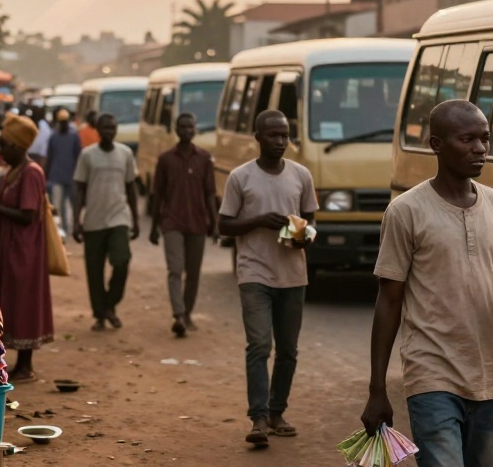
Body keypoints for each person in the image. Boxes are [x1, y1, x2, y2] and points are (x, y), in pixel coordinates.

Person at [360, 101, 493, 467]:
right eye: (467, 139)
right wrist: (377, 389)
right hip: (431, 376)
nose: (479, 149)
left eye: (485, 139)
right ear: (436, 144)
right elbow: (388, 302)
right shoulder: (406, 211)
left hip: (492, 376)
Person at [218, 110, 317, 448]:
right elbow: (224, 225)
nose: (279, 142)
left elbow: (309, 221)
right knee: (260, 345)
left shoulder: (301, 175)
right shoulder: (240, 177)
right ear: (257, 138)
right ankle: (258, 417)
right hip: (254, 272)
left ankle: (277, 412)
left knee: (288, 350)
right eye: (272, 135)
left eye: (284, 135)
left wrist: (301, 234)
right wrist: (259, 220)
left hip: (293, 274)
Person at [0, 114, 54, 381]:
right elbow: (7, 209)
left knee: (22, 301)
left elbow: (27, 214)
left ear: (18, 146)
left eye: (4, 145)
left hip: (24, 248)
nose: (0, 150)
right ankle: (5, 361)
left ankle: (25, 364)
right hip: (7, 244)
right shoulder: (13, 172)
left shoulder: (31, 173)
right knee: (5, 299)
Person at [148, 112, 218, 338]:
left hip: (197, 223)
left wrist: (215, 223)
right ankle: (178, 314)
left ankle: (187, 313)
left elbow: (210, 194)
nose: (187, 130)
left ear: (195, 129)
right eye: (183, 126)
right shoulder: (166, 159)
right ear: (176, 130)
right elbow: (158, 195)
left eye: (191, 126)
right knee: (175, 270)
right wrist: (154, 226)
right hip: (172, 222)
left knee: (194, 273)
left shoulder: (204, 158)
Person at [72, 113, 139, 331]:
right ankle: (100, 314)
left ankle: (110, 304)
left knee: (121, 261)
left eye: (113, 128)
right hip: (94, 220)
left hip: (119, 217)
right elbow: (80, 190)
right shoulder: (87, 155)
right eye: (105, 128)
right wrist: (76, 220)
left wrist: (136, 220)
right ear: (98, 130)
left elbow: (131, 188)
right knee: (94, 270)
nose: (109, 132)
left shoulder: (126, 153)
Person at [43, 108, 81, 238]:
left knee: (73, 202)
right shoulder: (53, 136)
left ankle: (73, 224)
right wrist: (46, 175)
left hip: (71, 174)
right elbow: (50, 156)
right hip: (57, 175)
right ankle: (63, 226)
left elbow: (78, 155)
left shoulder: (74, 136)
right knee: (60, 204)